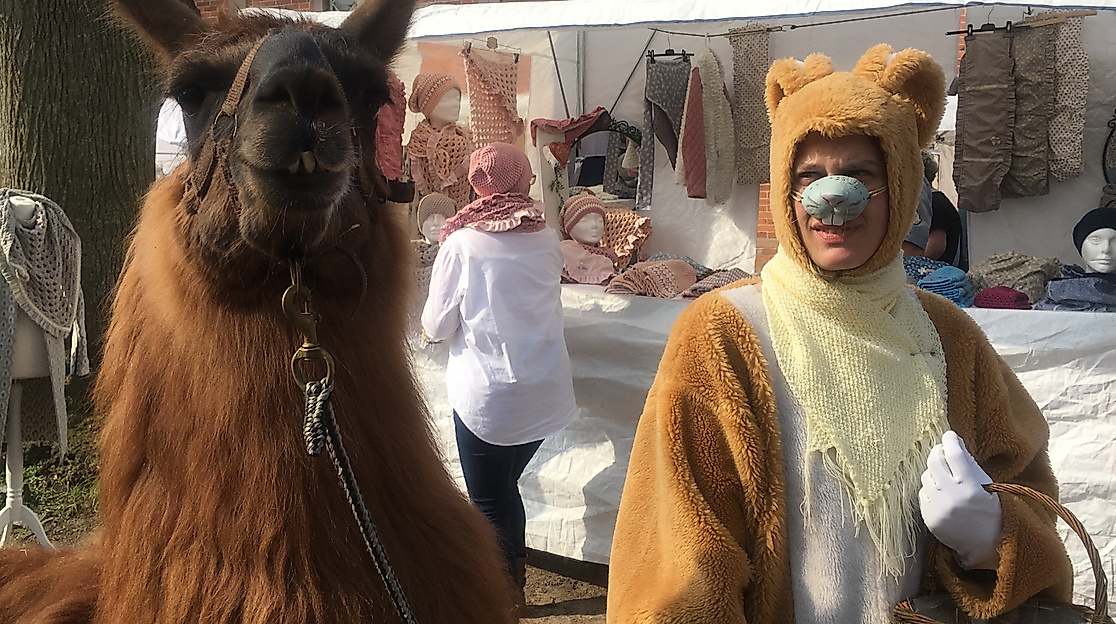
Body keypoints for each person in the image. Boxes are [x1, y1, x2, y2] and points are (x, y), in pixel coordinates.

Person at [607, 44, 1071, 624]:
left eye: (860, 174)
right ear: (786, 190)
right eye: (810, 176)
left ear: (900, 184)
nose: (834, 198)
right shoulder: (725, 332)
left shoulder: (947, 335)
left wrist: (991, 534)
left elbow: (1027, 484)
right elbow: (683, 551)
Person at [421, 142, 577, 610]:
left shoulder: (462, 245)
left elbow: (434, 325)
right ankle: (514, 584)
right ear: (524, 178)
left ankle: (501, 596)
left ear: (476, 184)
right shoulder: (548, 237)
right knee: (504, 490)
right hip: (543, 391)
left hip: (487, 398)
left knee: (488, 501)